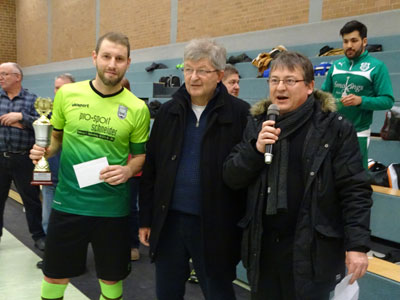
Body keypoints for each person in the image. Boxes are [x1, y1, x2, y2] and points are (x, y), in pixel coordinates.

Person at [223, 51, 372, 300]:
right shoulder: (258, 124)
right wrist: (255, 150)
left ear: (310, 86)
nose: (280, 87)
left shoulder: (334, 128)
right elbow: (231, 176)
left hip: (313, 248)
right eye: (274, 80)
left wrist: (357, 246)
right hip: (264, 247)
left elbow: (354, 189)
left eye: (290, 80)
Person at [30, 32, 150, 300]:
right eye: (106, 56)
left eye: (119, 58)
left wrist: (128, 170)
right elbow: (57, 137)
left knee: (111, 277)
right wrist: (44, 151)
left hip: (112, 209)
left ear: (128, 63)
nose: (112, 64)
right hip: (68, 204)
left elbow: (140, 155)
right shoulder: (69, 94)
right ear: (95, 57)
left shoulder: (137, 108)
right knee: (54, 275)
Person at [139, 38, 250, 300]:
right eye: (188, 69)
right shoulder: (168, 113)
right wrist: (146, 218)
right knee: (167, 292)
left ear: (220, 75)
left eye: (202, 70)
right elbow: (152, 167)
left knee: (218, 292)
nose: (193, 77)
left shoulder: (241, 114)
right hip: (170, 223)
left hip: (215, 224)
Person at [322, 20, 394, 168]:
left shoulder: (377, 67)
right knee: (329, 174)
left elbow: (387, 101)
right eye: (345, 41)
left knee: (355, 177)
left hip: (358, 132)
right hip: (332, 130)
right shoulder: (336, 66)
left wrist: (361, 100)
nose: (349, 45)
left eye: (354, 40)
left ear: (364, 41)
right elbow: (323, 95)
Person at [0, 62, 46, 250]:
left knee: (32, 199)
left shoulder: (32, 100)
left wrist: (21, 118)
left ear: (17, 77)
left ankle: (38, 236)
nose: (1, 77)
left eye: (4, 74)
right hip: (0, 158)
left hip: (24, 159)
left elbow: (44, 122)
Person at [36, 73, 75, 270]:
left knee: (71, 223)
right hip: (50, 177)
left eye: (63, 88)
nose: (58, 91)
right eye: (56, 88)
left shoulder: (79, 115)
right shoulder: (46, 115)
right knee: (48, 219)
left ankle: (74, 259)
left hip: (72, 180)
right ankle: (52, 258)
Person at [121, 76, 141, 261]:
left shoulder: (136, 109)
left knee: (131, 208)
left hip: (132, 168)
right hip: (109, 166)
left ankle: (133, 244)